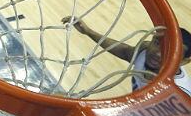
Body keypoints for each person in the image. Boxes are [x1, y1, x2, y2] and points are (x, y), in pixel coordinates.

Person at [62, 17, 191, 96]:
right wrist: (88, 32)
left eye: (170, 52)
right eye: (158, 44)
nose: (158, 53)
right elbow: (125, 51)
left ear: (184, 61)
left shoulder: (180, 93)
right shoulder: (144, 51)